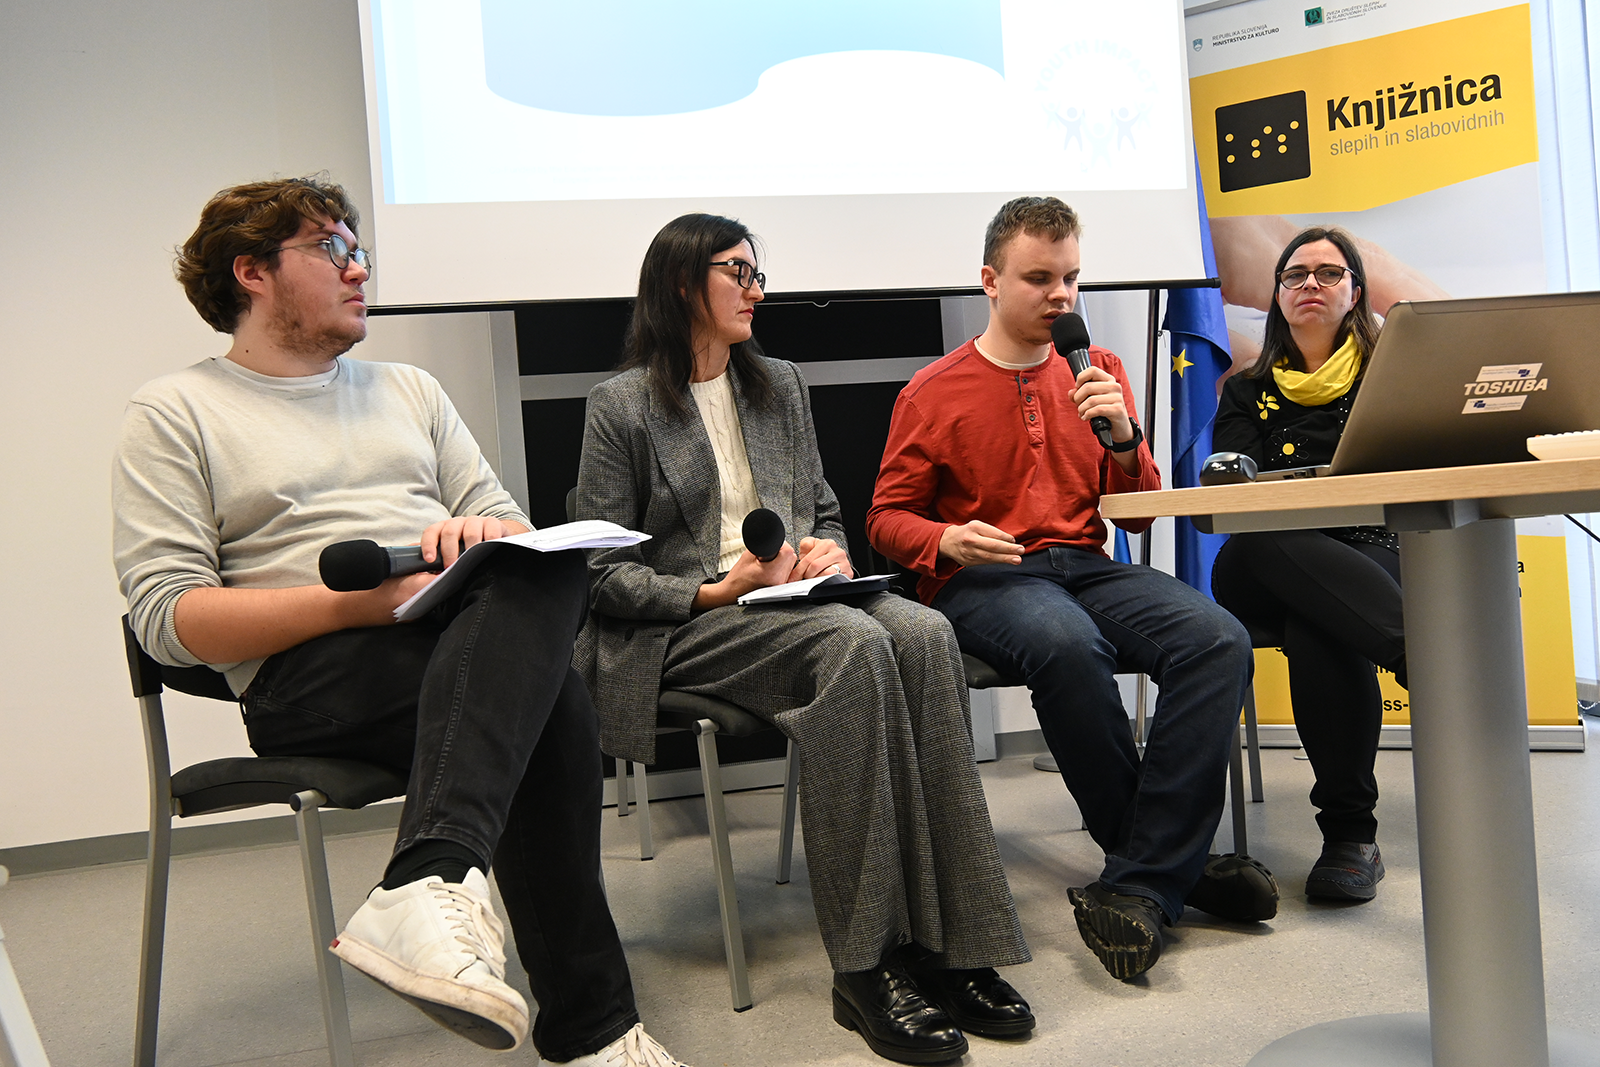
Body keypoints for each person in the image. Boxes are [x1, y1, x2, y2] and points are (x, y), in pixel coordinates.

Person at [113, 176, 687, 1066]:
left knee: (543, 565)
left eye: (360, 251)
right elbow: (166, 618)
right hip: (308, 670)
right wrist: (358, 602)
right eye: (332, 249)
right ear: (251, 271)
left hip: (447, 636)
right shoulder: (175, 411)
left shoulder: (410, 390)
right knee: (554, 708)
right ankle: (593, 1029)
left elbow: (511, 526)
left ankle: (428, 878)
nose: (359, 270)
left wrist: (480, 538)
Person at [574, 213, 1032, 1065]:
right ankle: (866, 964)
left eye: (758, 272)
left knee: (925, 632)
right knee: (853, 646)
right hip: (692, 621)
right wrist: (716, 589)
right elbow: (601, 573)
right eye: (738, 272)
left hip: (796, 601)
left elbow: (821, 509)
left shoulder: (779, 383)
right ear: (682, 284)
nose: (757, 289)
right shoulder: (620, 406)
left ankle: (958, 944)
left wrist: (829, 550)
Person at [867, 196, 1276, 983]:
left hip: (1087, 563)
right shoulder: (932, 390)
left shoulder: (1099, 371)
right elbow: (886, 518)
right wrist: (945, 539)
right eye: (1039, 278)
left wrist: (1123, 436)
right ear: (990, 280)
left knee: (1218, 638)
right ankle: (1172, 869)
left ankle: (1144, 879)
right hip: (985, 576)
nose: (1061, 295)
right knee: (1066, 642)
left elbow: (1138, 503)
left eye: (1071, 278)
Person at [1210, 226, 1405, 903]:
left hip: (1370, 549)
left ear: (1356, 291)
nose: (1310, 284)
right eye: (1295, 275)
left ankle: (1350, 838)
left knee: (1322, 623)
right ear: (1277, 295)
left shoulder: (1392, 375)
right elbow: (1233, 494)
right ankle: (1417, 655)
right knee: (1267, 539)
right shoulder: (1246, 388)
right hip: (1262, 561)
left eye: (1328, 273)